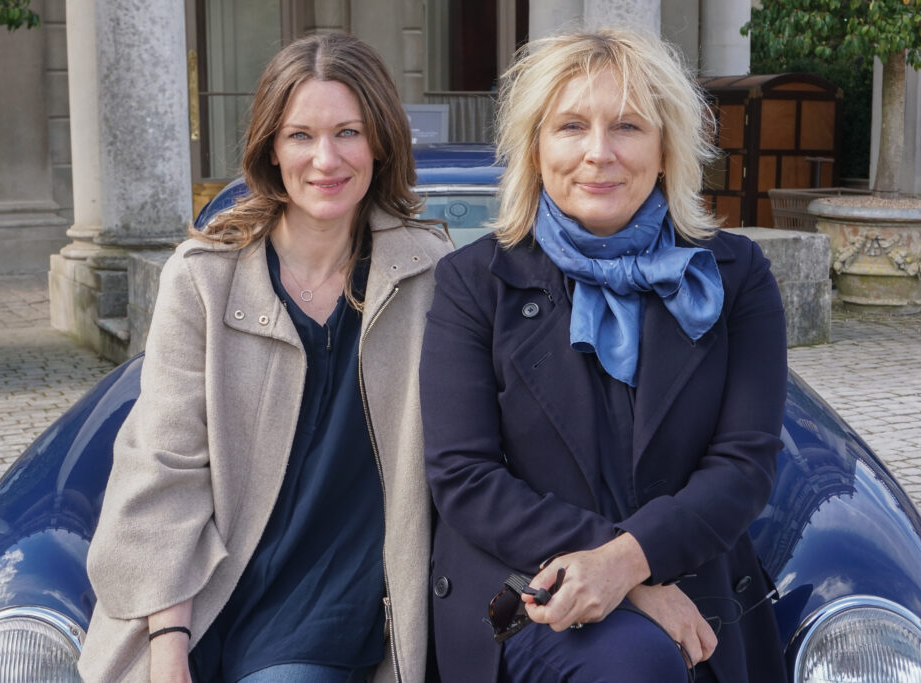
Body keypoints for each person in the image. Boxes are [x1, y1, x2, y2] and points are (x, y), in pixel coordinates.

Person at [78, 33, 451, 683]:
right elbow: (162, 466)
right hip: (205, 595)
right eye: (301, 135)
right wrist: (167, 642)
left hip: (333, 602)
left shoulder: (430, 275)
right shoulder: (203, 278)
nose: (325, 158)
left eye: (348, 132)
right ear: (271, 148)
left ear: (381, 142)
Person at [420, 28, 788, 683]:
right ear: (535, 146)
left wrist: (629, 562)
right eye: (570, 126)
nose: (599, 153)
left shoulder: (736, 275)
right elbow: (464, 475)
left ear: (667, 145)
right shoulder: (471, 282)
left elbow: (744, 465)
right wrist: (618, 568)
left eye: (626, 126)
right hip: (524, 591)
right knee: (634, 664)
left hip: (695, 582)